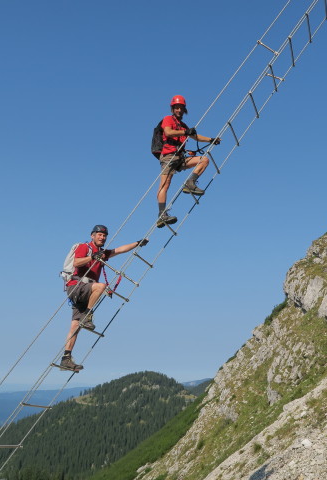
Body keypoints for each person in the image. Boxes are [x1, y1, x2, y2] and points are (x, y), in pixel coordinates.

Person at [61, 225, 148, 371]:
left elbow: (119, 250)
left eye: (104, 235)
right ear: (92, 236)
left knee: (75, 326)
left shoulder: (102, 253)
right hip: (77, 285)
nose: (102, 237)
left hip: (86, 291)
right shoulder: (85, 247)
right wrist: (92, 257)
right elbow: (76, 262)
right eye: (99, 235)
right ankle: (87, 316)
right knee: (100, 286)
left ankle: (66, 358)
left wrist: (137, 243)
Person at [156, 95, 221, 228]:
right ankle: (162, 214)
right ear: (173, 108)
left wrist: (211, 139)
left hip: (180, 157)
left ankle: (190, 183)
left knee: (204, 160)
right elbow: (168, 132)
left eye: (181, 108)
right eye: (176, 107)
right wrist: (185, 132)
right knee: (165, 185)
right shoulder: (168, 119)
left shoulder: (183, 125)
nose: (179, 110)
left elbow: (195, 136)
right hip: (168, 156)